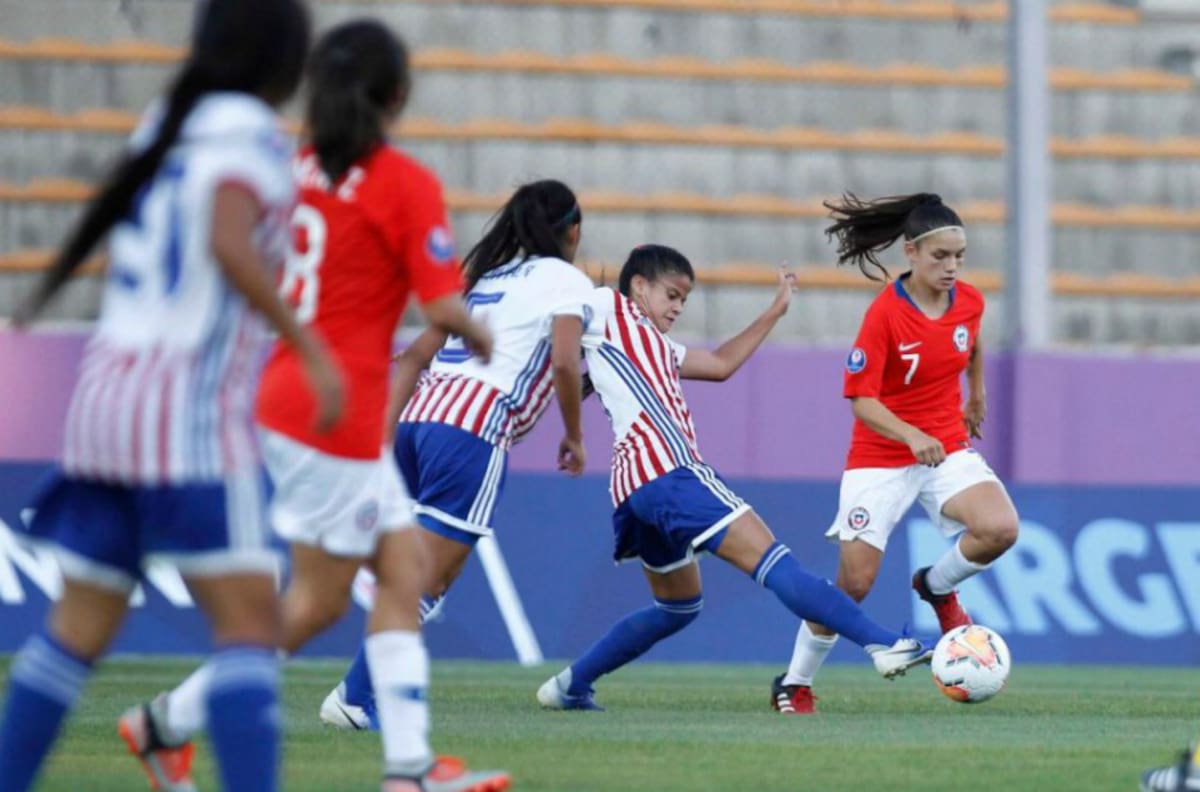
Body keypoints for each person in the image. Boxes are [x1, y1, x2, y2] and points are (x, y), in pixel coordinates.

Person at [116, 21, 509, 792]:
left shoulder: (287, 169)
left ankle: (407, 767)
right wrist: (481, 332)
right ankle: (168, 723)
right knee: (320, 602)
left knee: (397, 574)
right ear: (396, 95)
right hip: (337, 415)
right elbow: (440, 302)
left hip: (289, 398)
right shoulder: (402, 182)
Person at [0, 2, 326, 791]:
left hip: (104, 402)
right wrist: (307, 344)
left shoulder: (163, 123)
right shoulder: (248, 131)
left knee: (77, 628)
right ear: (281, 56)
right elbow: (224, 236)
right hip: (187, 411)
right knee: (250, 621)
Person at [537, 244, 932, 711]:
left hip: (636, 489)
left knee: (678, 605)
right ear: (638, 285)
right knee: (779, 565)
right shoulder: (607, 306)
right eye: (671, 294)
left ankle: (569, 685)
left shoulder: (657, 345)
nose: (678, 307)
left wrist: (774, 312)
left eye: (684, 299)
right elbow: (561, 330)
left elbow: (721, 365)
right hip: (670, 471)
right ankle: (882, 643)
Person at [318, 178, 593, 730]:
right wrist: (574, 434)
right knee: (427, 581)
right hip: (471, 432)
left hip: (421, 422)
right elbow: (565, 362)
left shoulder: (488, 279)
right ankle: (353, 697)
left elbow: (412, 356)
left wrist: (387, 436)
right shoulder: (568, 281)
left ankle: (367, 692)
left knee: (424, 578)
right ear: (573, 230)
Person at [769, 193, 1020, 715]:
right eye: (940, 257)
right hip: (882, 454)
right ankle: (794, 683)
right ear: (910, 253)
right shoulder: (886, 314)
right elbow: (861, 400)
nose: (951, 267)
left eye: (959, 256)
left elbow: (970, 342)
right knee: (854, 583)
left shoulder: (969, 301)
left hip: (945, 444)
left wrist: (976, 394)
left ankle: (935, 587)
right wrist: (908, 435)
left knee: (1000, 528)